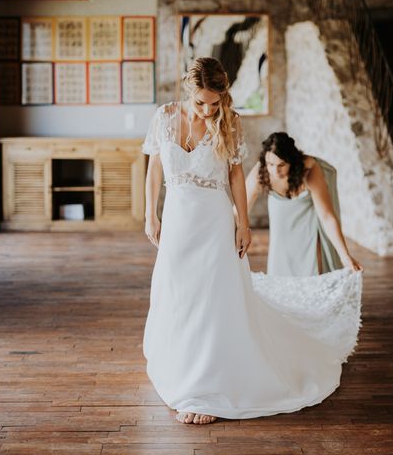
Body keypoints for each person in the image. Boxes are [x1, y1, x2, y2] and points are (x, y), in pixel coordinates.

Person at [141, 57, 362, 425]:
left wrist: (244, 224)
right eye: (200, 102)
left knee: (214, 298)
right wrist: (150, 213)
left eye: (215, 102)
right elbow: (154, 168)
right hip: (179, 221)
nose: (209, 110)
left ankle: (204, 389)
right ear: (187, 91)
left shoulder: (230, 121)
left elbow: (234, 172)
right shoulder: (164, 116)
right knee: (178, 291)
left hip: (214, 221)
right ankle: (179, 366)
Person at [246, 132, 362, 276]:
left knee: (312, 267)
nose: (275, 171)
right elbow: (241, 210)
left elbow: (327, 217)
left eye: (281, 165)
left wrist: (344, 255)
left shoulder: (309, 170)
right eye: (271, 164)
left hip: (308, 220)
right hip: (282, 224)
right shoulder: (261, 172)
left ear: (291, 161)